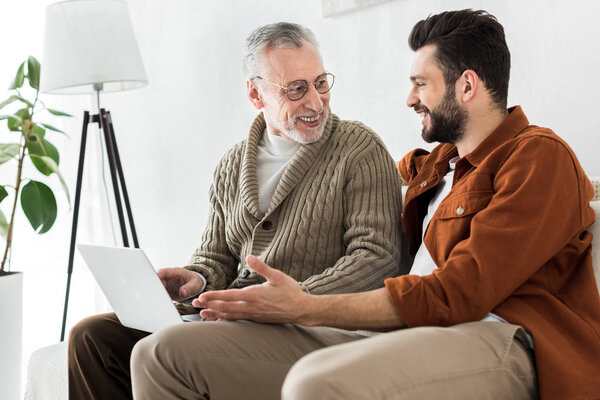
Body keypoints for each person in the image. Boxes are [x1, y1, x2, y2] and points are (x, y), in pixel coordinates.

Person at [131, 9, 600, 400]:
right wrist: (211, 281)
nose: (410, 98)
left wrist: (303, 305)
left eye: (421, 84)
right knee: (160, 354)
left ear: (467, 86)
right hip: (417, 330)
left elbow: (457, 294)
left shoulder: (539, 157)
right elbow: (344, 179)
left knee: (316, 381)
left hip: (505, 335)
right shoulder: (438, 167)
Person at [68, 23, 405, 399]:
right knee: (91, 337)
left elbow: (378, 259)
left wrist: (291, 300)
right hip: (237, 319)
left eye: (320, 82)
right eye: (296, 89)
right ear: (255, 93)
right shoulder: (231, 165)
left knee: (162, 350)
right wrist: (196, 279)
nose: (315, 101)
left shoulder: (359, 150)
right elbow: (216, 257)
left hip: (313, 327)